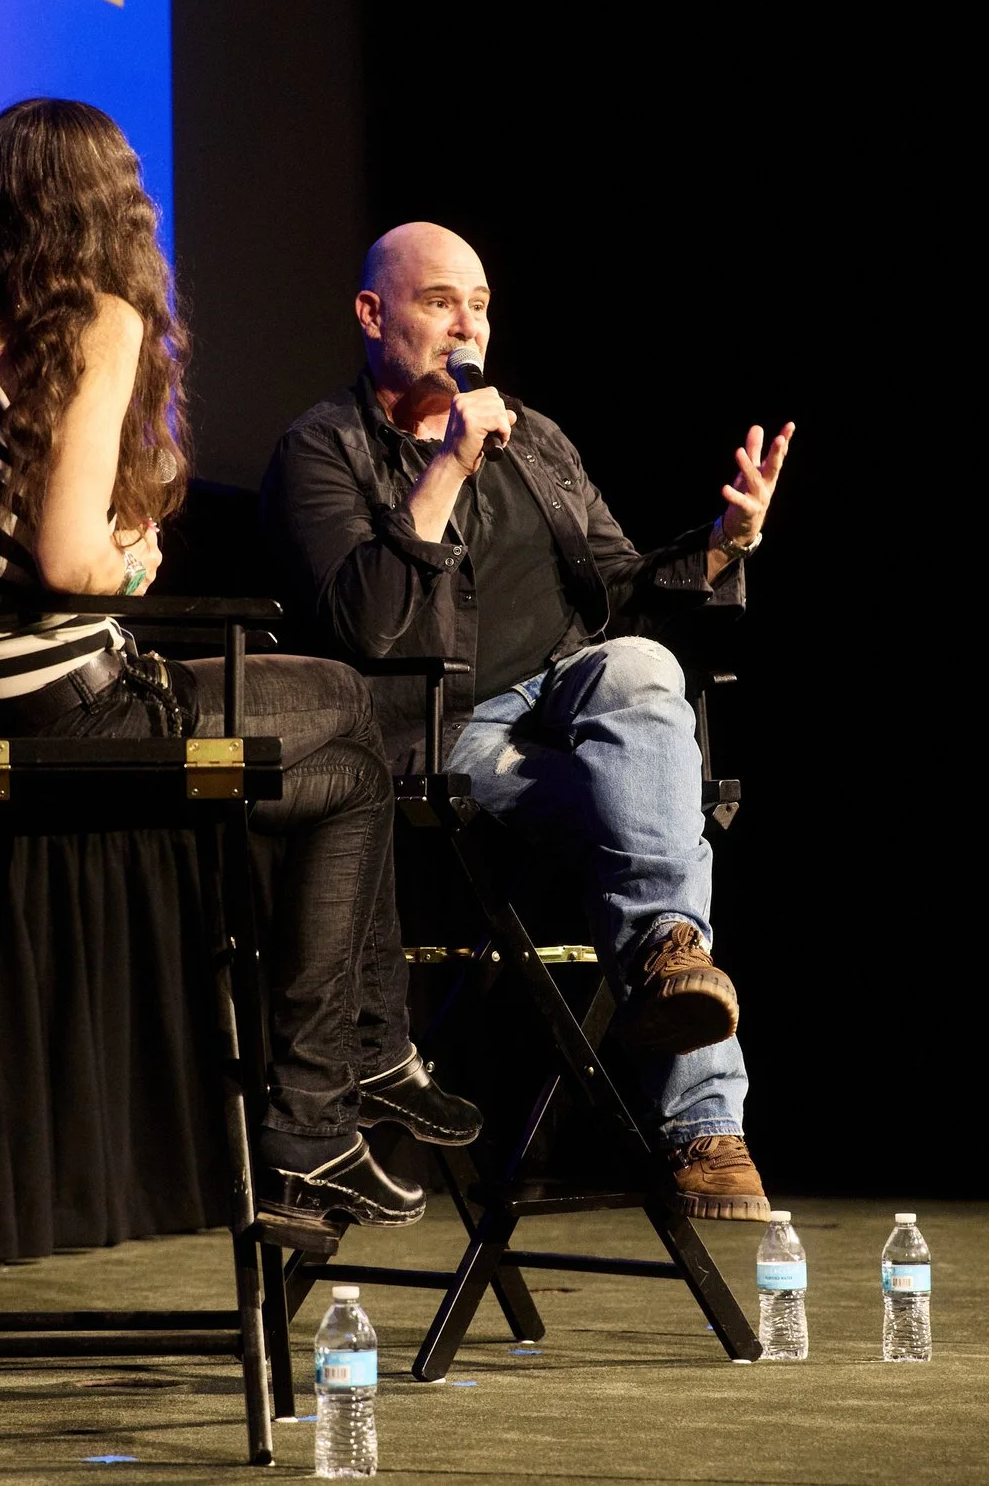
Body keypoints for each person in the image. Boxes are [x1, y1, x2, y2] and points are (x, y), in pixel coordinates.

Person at [0, 102, 477, 1238]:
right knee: (341, 696)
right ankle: (337, 1089)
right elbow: (72, 555)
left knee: (351, 777)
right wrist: (129, 559)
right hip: (67, 712)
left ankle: (340, 1094)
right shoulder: (92, 317)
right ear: (104, 206)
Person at [259, 221, 794, 1220]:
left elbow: (625, 589)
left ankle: (671, 956)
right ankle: (706, 1132)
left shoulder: (536, 439)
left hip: (570, 695)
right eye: (438, 301)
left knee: (640, 666)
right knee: (652, 806)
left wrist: (726, 543)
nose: (467, 325)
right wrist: (448, 465)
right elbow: (365, 625)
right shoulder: (317, 451)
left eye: (480, 304)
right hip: (437, 731)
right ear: (373, 314)